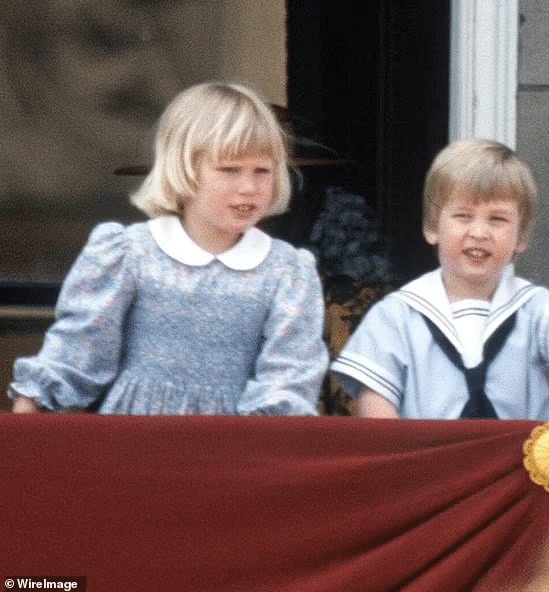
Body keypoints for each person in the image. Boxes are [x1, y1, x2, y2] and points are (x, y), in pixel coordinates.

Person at [7, 81, 328, 415]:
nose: (249, 187)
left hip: (234, 441)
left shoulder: (286, 271)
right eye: (230, 170)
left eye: (262, 171)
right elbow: (77, 351)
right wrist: (31, 405)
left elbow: (289, 376)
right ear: (183, 169)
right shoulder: (129, 254)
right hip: (134, 436)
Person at [330, 138, 549, 419]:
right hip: (432, 448)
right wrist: (395, 445)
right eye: (463, 216)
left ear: (520, 237)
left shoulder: (530, 306)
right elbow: (376, 398)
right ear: (432, 228)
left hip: (517, 448)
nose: (479, 232)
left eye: (497, 220)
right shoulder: (398, 315)